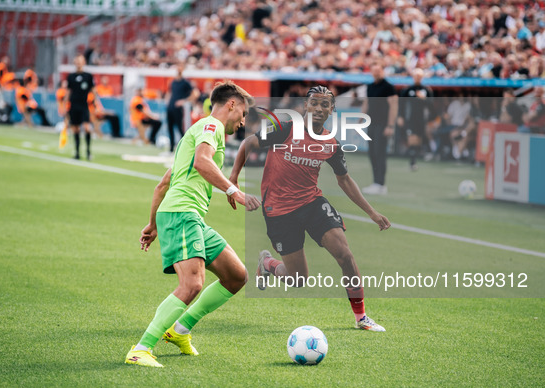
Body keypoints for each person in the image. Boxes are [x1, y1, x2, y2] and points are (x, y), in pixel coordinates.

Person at [229, 85, 391, 332]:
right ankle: (268, 264)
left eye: (324, 104)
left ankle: (361, 317)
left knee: (345, 255)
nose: (318, 108)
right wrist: (233, 180)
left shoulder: (331, 143)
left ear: (331, 110)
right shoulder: (285, 129)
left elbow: (344, 180)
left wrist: (372, 213)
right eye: (313, 103)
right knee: (297, 279)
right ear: (305, 106)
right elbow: (248, 143)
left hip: (311, 203)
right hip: (279, 210)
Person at [125, 81, 260, 368]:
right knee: (192, 284)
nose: (243, 121)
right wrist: (233, 190)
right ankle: (141, 348)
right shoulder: (211, 127)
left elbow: (163, 184)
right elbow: (202, 162)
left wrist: (153, 224)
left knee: (236, 276)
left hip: (186, 215)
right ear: (231, 105)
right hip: (182, 213)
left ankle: (180, 330)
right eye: (244, 113)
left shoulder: (199, 132)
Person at [361, 64, 398, 195]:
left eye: (379, 70)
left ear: (383, 71)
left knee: (380, 153)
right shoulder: (370, 86)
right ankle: (375, 182)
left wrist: (390, 125)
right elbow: (367, 103)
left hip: (382, 124)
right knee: (372, 153)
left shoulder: (388, 87)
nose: (376, 73)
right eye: (374, 70)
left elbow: (393, 105)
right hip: (372, 123)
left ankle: (380, 184)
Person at [397, 68, 434, 171]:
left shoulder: (426, 90)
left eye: (419, 76)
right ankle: (412, 162)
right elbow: (402, 104)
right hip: (410, 119)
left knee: (418, 141)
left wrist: (424, 99)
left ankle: (418, 157)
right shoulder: (407, 90)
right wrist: (400, 116)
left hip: (422, 120)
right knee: (412, 140)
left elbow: (431, 105)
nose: (417, 78)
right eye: (416, 76)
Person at [65, 54, 96, 160]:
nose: (78, 63)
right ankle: (77, 152)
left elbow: (93, 90)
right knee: (76, 129)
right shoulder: (71, 76)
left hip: (84, 105)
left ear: (84, 62)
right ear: (74, 63)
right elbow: (68, 91)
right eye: (77, 61)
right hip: (73, 105)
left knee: (87, 128)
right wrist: (65, 105)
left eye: (80, 61)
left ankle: (88, 151)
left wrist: (95, 103)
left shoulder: (88, 76)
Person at [166, 65, 198, 152]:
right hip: (171, 107)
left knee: (179, 128)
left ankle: (185, 147)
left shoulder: (185, 83)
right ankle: (171, 148)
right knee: (170, 128)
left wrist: (183, 101)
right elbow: (170, 93)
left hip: (178, 109)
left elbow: (195, 94)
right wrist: (168, 102)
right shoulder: (173, 82)